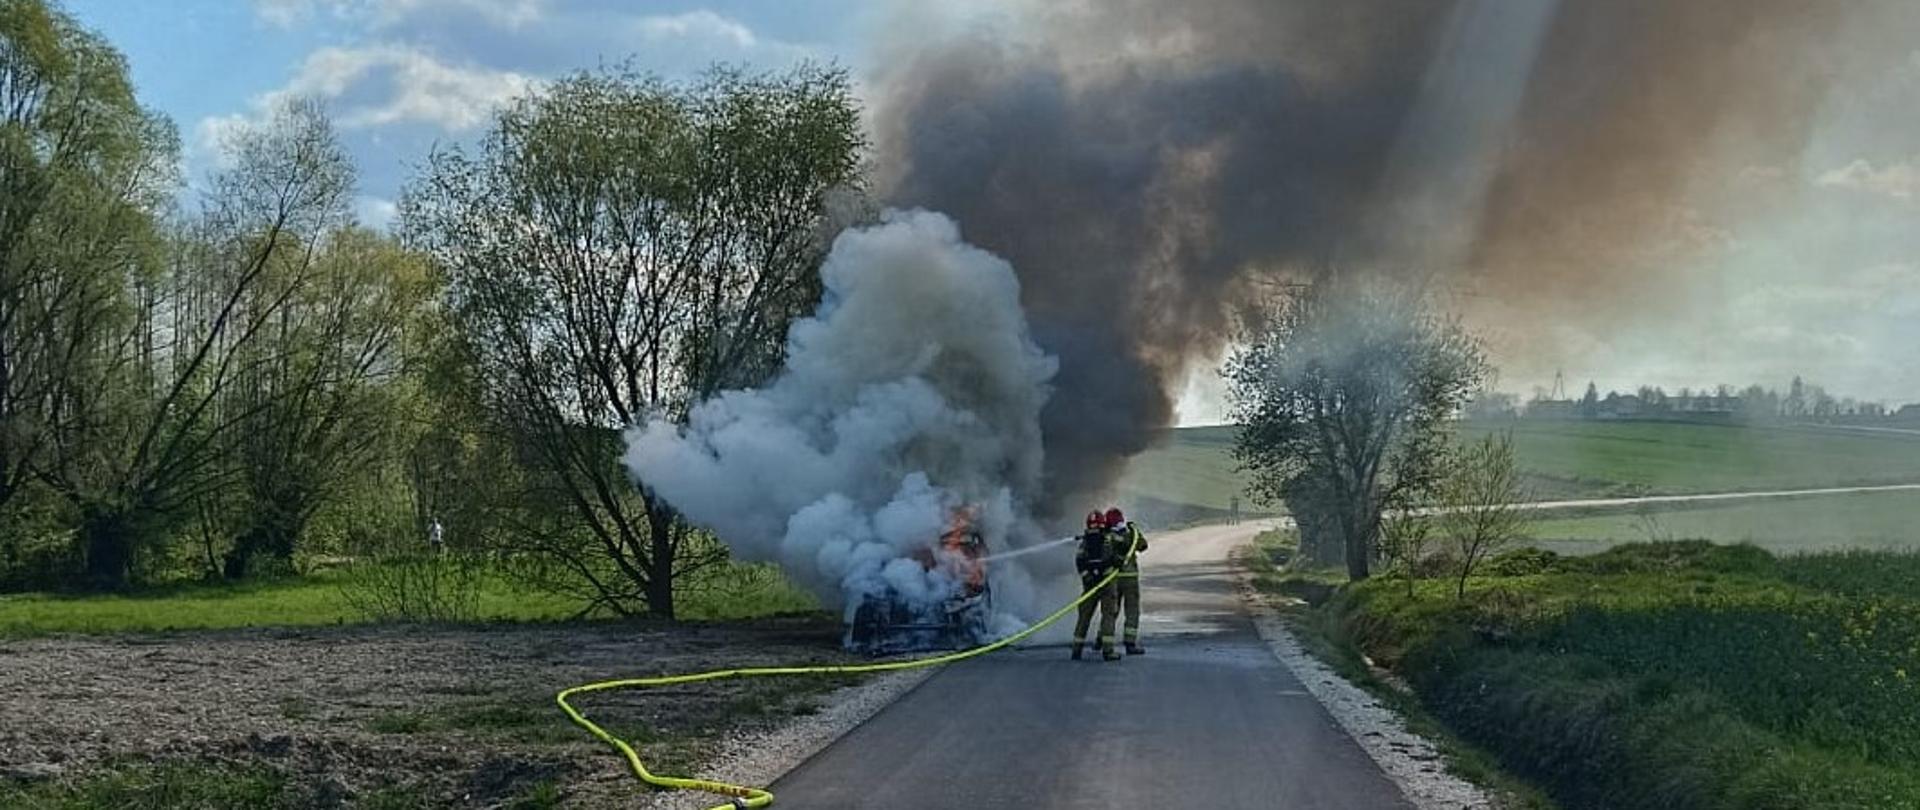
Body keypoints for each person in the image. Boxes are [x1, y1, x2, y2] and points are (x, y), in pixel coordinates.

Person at [1070, 510, 1122, 661]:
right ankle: (1108, 651)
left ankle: (1076, 650)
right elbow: (1119, 551)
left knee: (1083, 617)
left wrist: (1088, 577)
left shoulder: (1084, 542)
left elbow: (1079, 562)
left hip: (1090, 585)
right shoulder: (1109, 538)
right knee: (1108, 616)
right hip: (1107, 584)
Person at [1104, 507, 1148, 655]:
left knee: (1110, 611)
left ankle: (1101, 640)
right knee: (1132, 611)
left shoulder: (1107, 535)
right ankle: (1130, 644)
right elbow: (1143, 545)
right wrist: (1135, 531)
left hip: (1113, 579)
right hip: (1130, 579)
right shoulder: (1130, 534)